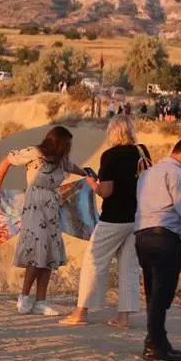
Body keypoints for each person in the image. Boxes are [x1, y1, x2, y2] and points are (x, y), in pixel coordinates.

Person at [0, 126, 95, 316]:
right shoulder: (34, 153)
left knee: (49, 253)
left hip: (52, 207)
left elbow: (76, 169)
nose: (69, 147)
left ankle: (41, 301)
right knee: (37, 251)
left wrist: (87, 175)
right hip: (34, 205)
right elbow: (7, 160)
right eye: (67, 143)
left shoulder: (62, 161)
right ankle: (24, 297)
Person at [60, 116, 147, 329]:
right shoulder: (141, 151)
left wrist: (92, 183)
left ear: (113, 132)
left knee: (94, 260)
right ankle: (123, 317)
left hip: (114, 217)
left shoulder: (110, 156)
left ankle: (81, 312)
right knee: (129, 267)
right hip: (137, 216)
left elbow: (106, 191)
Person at [133, 136, 181, 361]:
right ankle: (154, 344)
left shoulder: (148, 173)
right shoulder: (178, 174)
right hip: (166, 236)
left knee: (153, 292)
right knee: (162, 295)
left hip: (142, 235)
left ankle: (159, 340)